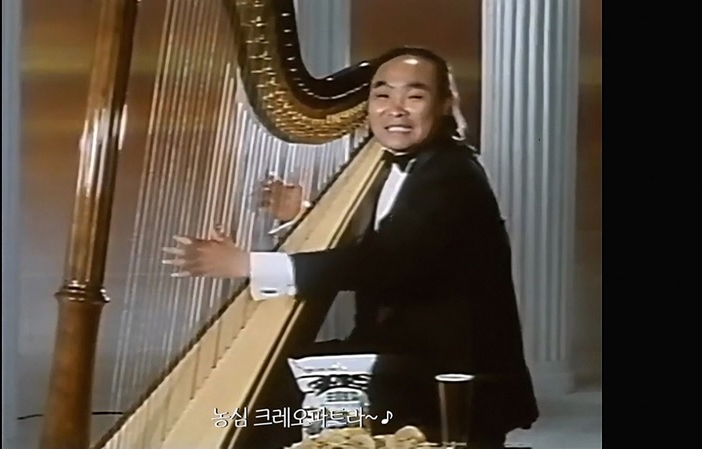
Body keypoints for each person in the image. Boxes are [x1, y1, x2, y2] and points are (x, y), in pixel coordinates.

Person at [163, 46, 539, 448]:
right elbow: (395, 242)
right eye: (383, 95)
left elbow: (385, 262)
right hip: (401, 357)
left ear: (445, 105)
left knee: (264, 409)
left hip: (441, 376)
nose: (395, 109)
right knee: (266, 395)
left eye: (414, 96)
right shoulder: (412, 166)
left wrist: (248, 264)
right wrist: (302, 213)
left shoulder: (451, 175)